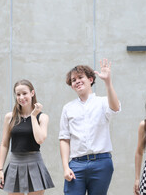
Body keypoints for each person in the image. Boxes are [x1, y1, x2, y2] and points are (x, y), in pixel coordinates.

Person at [59, 59, 121, 195]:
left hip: (102, 162)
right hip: (76, 164)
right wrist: (65, 167)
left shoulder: (103, 101)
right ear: (72, 86)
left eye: (81, 77)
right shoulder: (68, 108)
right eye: (74, 80)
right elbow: (64, 138)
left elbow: (115, 108)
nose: (77, 81)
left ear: (90, 79)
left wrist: (108, 82)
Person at [0, 79, 54, 195]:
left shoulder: (42, 117)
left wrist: (33, 116)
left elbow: (40, 139)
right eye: (18, 94)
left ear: (32, 93)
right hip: (14, 164)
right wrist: (0, 170)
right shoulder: (10, 117)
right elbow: (4, 144)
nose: (21, 97)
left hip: (35, 164)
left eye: (24, 93)